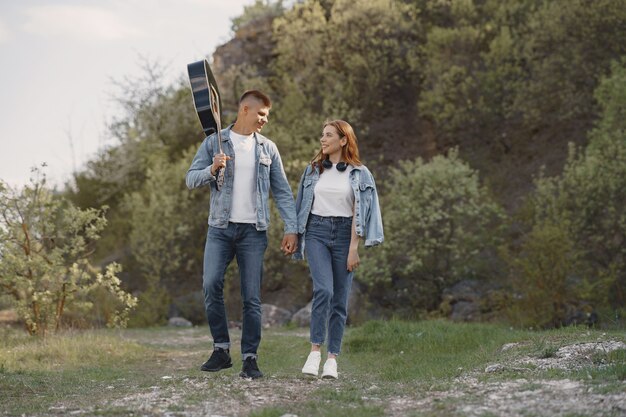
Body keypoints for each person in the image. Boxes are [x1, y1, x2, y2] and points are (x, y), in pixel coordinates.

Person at [186, 90, 297, 379]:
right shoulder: (214, 142)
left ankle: (250, 358)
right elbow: (190, 178)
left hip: (253, 232)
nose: (264, 120)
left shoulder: (268, 149)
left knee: (252, 298)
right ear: (245, 109)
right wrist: (212, 169)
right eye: (261, 114)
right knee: (211, 286)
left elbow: (282, 192)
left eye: (267, 116)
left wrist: (291, 227)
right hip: (220, 229)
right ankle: (221, 350)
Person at [294, 120, 383, 379]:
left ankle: (332, 359)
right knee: (323, 290)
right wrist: (293, 233)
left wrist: (354, 247)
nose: (323, 139)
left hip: (345, 235)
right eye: (322, 135)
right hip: (317, 233)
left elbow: (361, 212)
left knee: (340, 301)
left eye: (329, 135)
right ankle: (314, 352)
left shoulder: (360, 173)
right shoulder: (312, 171)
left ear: (343, 140)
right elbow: (301, 205)